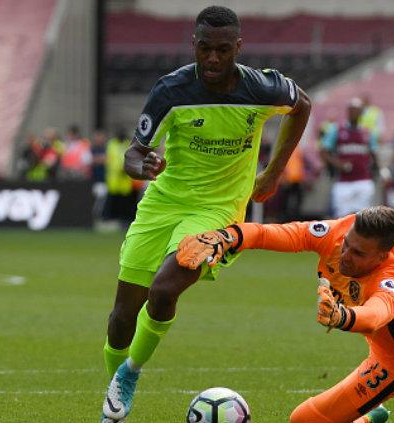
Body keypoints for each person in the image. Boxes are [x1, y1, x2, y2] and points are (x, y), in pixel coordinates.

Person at [100, 6, 311, 422]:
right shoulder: (170, 91)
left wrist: (272, 172)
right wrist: (142, 166)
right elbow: (133, 153)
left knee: (164, 291)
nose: (213, 59)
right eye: (205, 49)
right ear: (193, 45)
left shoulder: (261, 88)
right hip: (164, 203)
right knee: (122, 319)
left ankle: (130, 374)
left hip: (217, 210)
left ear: (238, 47)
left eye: (222, 50)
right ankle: (115, 398)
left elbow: (302, 105)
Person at [177, 206, 394, 423]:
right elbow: (277, 233)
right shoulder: (340, 233)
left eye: (359, 254)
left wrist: (342, 317)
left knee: (305, 420)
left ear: (383, 256)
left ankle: (367, 416)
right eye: (348, 244)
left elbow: (377, 314)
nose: (345, 256)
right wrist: (230, 236)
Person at [320, 98, 378, 217]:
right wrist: (338, 164)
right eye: (352, 110)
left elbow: (374, 153)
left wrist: (379, 170)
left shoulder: (367, 132)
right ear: (348, 112)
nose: (354, 113)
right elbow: (324, 151)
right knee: (341, 219)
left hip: (364, 181)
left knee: (363, 220)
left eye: (357, 111)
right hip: (343, 182)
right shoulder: (337, 130)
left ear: (361, 113)